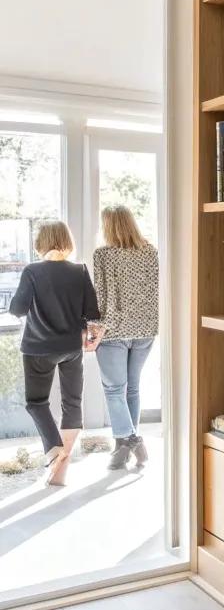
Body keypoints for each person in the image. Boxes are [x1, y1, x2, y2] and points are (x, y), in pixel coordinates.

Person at [9, 220, 103, 487]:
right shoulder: (79, 270)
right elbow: (92, 312)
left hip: (38, 348)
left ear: (41, 242)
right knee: (72, 403)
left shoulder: (32, 271)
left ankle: (53, 449)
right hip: (71, 348)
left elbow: (17, 309)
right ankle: (61, 469)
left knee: (36, 402)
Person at [93, 205, 159, 470]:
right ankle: (122, 451)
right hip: (146, 329)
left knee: (114, 390)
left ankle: (132, 440)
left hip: (113, 330)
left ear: (108, 226)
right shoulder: (150, 252)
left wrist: (95, 328)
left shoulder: (103, 255)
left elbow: (99, 295)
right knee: (131, 388)